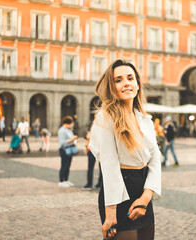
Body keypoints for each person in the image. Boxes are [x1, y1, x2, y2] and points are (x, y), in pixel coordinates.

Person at [89, 59, 161, 240]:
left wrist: (146, 197)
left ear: (137, 84)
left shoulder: (145, 119)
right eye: (118, 80)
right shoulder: (105, 117)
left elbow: (155, 161)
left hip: (143, 191)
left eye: (130, 78)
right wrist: (110, 213)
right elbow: (109, 167)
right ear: (111, 87)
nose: (126, 83)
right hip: (118, 194)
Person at [58, 116, 78, 188]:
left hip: (69, 149)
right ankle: (61, 181)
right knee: (64, 165)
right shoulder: (62, 130)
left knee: (68, 165)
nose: (72, 125)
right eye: (71, 123)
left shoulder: (68, 130)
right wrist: (72, 139)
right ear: (67, 123)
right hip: (64, 149)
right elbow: (63, 142)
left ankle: (66, 180)